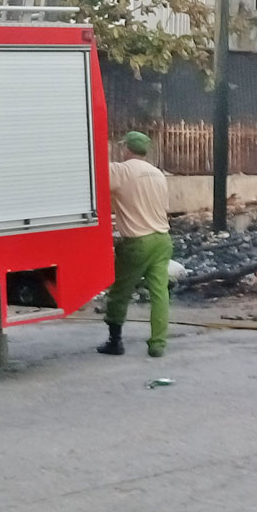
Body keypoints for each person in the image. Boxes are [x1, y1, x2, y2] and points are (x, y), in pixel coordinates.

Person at [100, 131, 173, 358]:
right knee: (160, 293)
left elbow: (95, 177)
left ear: (127, 149)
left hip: (137, 242)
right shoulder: (158, 174)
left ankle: (115, 341)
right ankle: (157, 344)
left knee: (120, 292)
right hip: (162, 239)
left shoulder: (121, 171)